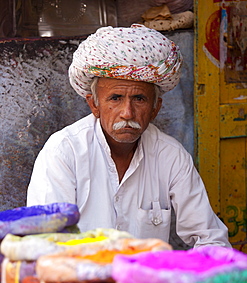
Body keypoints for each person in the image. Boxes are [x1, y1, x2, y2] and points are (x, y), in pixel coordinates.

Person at [27, 24, 231, 248]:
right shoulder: (64, 152)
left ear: (155, 108)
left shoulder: (171, 156)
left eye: (139, 99)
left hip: (145, 282)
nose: (127, 113)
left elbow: (211, 239)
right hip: (78, 278)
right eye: (115, 98)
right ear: (94, 104)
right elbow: (46, 243)